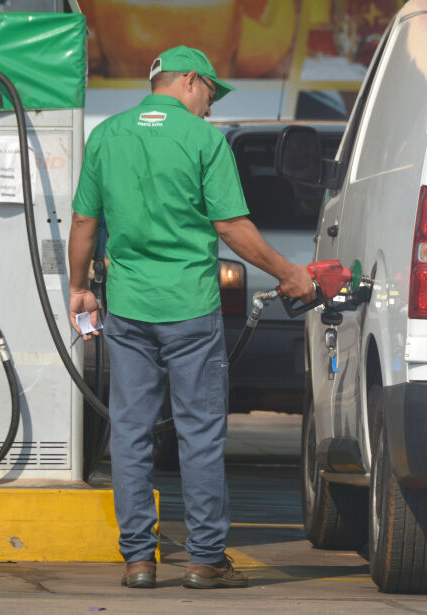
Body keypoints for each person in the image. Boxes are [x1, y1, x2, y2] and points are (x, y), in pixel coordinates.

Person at [68, 46, 314, 590]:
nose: (209, 108)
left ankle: (137, 560)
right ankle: (205, 560)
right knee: (199, 432)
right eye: (209, 95)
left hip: (128, 309)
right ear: (191, 81)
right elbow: (231, 228)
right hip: (189, 310)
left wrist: (80, 287)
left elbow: (85, 221)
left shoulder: (107, 135)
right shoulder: (203, 141)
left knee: (130, 432)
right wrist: (289, 272)